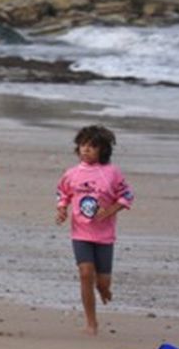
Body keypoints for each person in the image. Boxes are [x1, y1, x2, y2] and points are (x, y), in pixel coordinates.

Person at [56, 125, 133, 335]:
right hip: (80, 233)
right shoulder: (72, 174)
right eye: (83, 145)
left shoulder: (111, 173)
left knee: (102, 282)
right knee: (85, 273)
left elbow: (127, 195)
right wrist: (61, 209)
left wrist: (109, 211)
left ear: (103, 150)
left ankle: (103, 288)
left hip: (104, 236)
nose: (86, 149)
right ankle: (91, 323)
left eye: (92, 146)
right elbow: (62, 193)